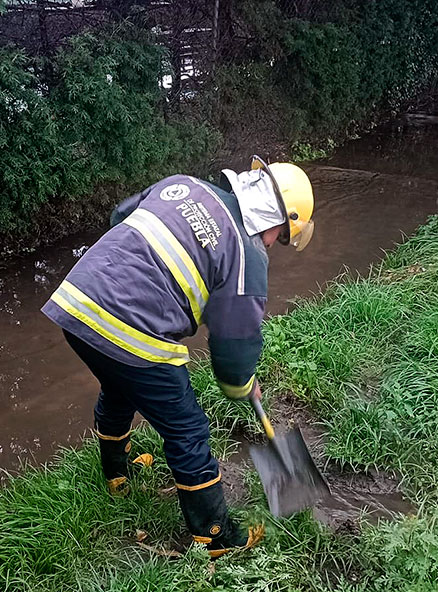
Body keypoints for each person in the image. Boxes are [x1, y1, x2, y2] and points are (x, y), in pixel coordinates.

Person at [41, 155, 314, 558]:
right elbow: (235, 347)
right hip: (132, 327)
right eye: (282, 237)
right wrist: (242, 385)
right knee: (187, 429)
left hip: (77, 302)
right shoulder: (248, 255)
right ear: (276, 220)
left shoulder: (185, 185)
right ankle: (216, 537)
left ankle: (118, 476)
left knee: (119, 385)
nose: (275, 244)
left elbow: (121, 217)